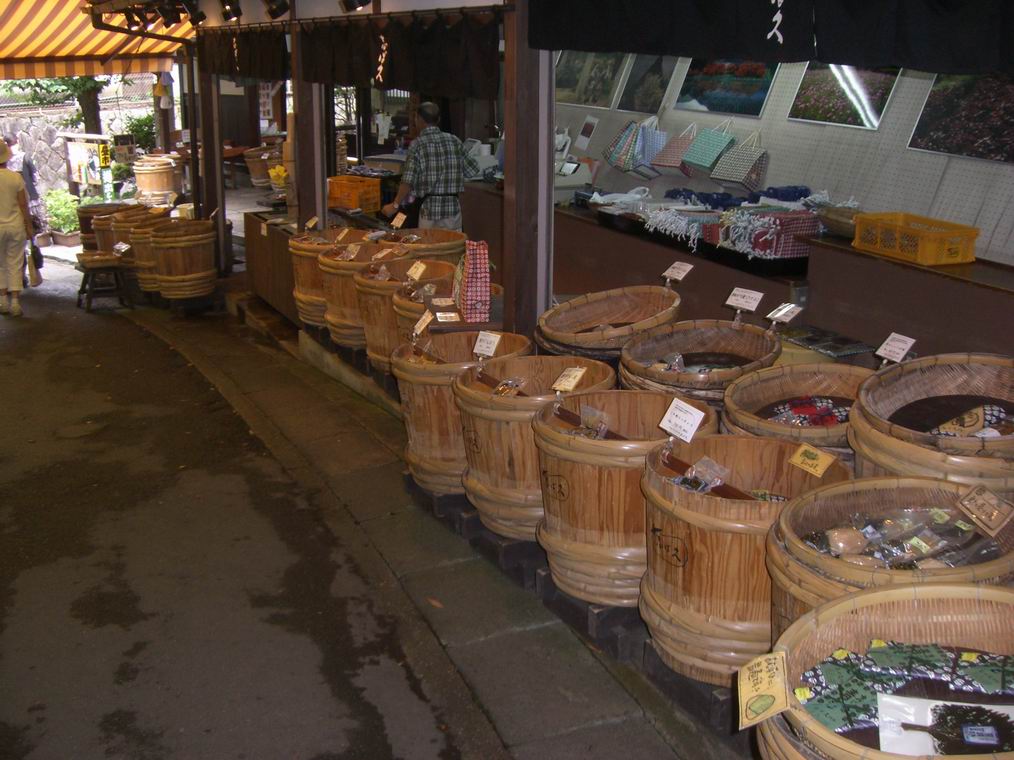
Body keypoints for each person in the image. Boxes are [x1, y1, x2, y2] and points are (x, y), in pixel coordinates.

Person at [381, 102, 478, 232]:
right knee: (453, 244)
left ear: (418, 119)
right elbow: (472, 170)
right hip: (452, 210)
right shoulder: (454, 140)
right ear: (438, 119)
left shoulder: (417, 145)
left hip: (428, 211)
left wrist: (395, 205)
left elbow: (407, 181)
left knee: (429, 244)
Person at [0, 138, 31, 317]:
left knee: (1, 264)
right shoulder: (15, 177)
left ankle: (3, 301)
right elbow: (23, 205)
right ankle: (15, 303)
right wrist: (29, 226)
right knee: (15, 263)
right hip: (15, 226)